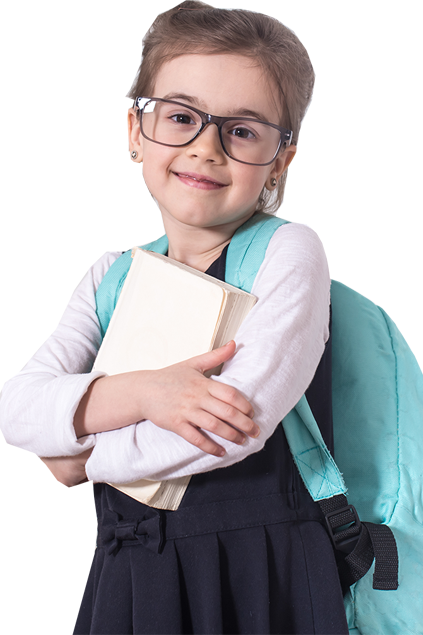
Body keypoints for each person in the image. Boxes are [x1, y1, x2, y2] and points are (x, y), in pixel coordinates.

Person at [0, 3, 349, 633]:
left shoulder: (286, 253)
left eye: (242, 130)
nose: (205, 149)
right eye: (182, 117)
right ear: (137, 132)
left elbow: (232, 426)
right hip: (132, 564)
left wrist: (81, 458)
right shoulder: (111, 277)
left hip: (258, 569)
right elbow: (18, 407)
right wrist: (143, 394)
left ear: (280, 159)